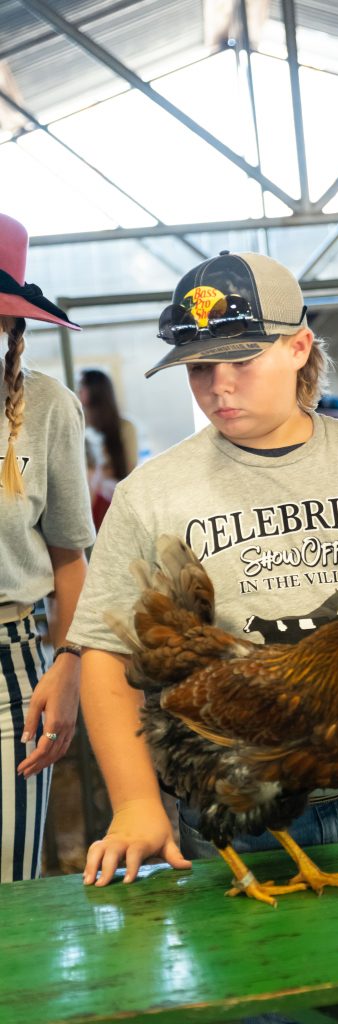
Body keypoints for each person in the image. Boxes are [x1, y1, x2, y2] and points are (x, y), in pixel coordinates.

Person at [67, 251, 338, 1024]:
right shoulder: (151, 495)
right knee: (257, 1000)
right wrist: (136, 802)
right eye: (198, 368)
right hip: (230, 800)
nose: (218, 386)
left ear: (300, 346)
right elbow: (106, 660)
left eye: (240, 361)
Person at [0, 213, 94, 882]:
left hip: (11, 667)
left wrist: (70, 664)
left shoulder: (47, 409)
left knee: (12, 883)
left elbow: (70, 557)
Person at [78, 368, 138, 530]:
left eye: (82, 386)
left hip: (115, 500)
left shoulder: (125, 427)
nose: (78, 392)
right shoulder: (79, 426)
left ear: (95, 390)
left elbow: (130, 468)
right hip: (89, 500)